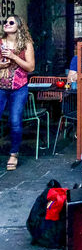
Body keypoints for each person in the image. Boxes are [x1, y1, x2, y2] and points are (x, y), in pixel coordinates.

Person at [1, 15, 35, 171]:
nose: (6, 24)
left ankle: (13, 154)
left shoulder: (26, 45)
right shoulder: (0, 43)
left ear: (19, 27)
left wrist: (14, 57)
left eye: (11, 22)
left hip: (19, 88)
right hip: (1, 86)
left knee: (15, 121)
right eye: (5, 22)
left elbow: (30, 68)